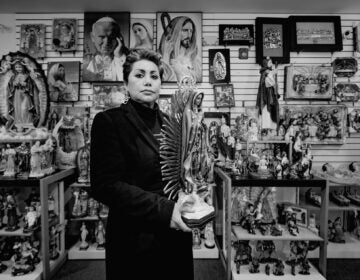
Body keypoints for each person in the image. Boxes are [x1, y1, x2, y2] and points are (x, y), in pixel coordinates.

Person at [90, 49, 194, 280]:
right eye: (139, 75)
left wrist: (191, 194)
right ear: (126, 82)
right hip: (135, 239)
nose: (148, 81)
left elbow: (178, 175)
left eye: (154, 76)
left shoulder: (170, 123)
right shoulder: (109, 121)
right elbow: (104, 185)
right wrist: (166, 210)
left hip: (174, 237)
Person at [83, 16, 129, 82]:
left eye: (112, 37)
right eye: (102, 37)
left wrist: (119, 56)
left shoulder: (127, 58)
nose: (106, 42)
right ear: (92, 37)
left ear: (119, 38)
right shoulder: (87, 62)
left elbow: (125, 82)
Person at [158, 13, 201, 82]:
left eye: (191, 31)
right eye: (185, 30)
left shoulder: (195, 59)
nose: (189, 35)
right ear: (176, 32)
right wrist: (166, 55)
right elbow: (164, 79)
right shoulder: (163, 56)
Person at [7, 61, 40, 129]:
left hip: (25, 94)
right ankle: (18, 123)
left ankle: (27, 123)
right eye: (16, 67)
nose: (18, 69)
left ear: (23, 67)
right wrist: (14, 84)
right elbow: (10, 85)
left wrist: (25, 85)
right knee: (18, 108)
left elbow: (32, 85)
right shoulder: (13, 77)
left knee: (25, 108)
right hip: (17, 94)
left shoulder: (27, 76)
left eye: (20, 67)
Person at [256, 56, 280, 132]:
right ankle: (267, 129)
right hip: (266, 97)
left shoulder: (267, 72)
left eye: (271, 62)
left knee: (270, 112)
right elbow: (269, 83)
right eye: (270, 62)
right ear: (266, 64)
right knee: (266, 112)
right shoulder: (265, 72)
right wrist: (272, 73)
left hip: (270, 95)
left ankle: (271, 128)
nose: (271, 63)